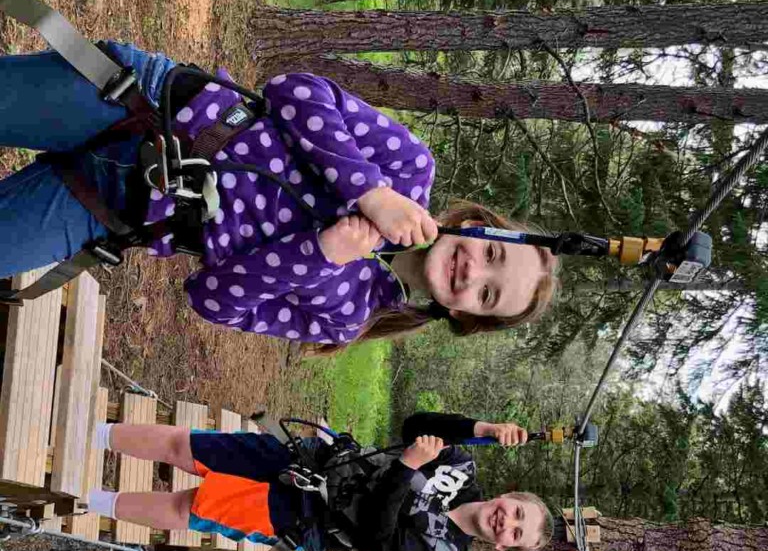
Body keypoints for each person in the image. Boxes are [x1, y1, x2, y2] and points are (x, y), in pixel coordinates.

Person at [0, 44, 557, 348]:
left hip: (106, 208)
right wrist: (370, 190)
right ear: (479, 226)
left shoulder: (347, 315)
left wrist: (318, 256)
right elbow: (295, 90)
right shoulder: (410, 167)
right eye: (493, 255)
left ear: (462, 317)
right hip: (138, 104)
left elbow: (211, 299)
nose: (473, 273)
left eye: (487, 295)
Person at [85, 411, 554, 551]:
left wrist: (407, 470)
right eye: (517, 513)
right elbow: (415, 426)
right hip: (312, 460)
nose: (507, 522)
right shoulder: (460, 464)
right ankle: (93, 433)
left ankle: (88, 499)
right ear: (511, 495)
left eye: (516, 533)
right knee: (188, 447)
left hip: (306, 517)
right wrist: (481, 428)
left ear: (502, 546)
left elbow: (375, 537)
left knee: (190, 506)